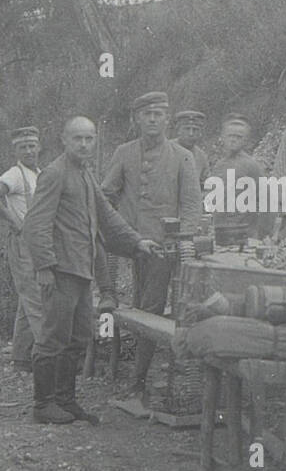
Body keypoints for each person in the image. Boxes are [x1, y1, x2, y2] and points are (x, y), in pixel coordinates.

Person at [23, 116, 162, 424]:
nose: (84, 144)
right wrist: (44, 266)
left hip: (81, 271)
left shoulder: (85, 175)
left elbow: (108, 216)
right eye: (77, 139)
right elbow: (36, 224)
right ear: (63, 140)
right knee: (52, 337)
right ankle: (42, 404)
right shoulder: (55, 174)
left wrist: (137, 242)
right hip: (60, 270)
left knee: (78, 336)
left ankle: (66, 400)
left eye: (89, 139)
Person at [101, 91, 202, 404]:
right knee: (134, 307)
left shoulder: (183, 157)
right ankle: (132, 369)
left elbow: (191, 206)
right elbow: (105, 196)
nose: (153, 120)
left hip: (164, 248)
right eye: (147, 114)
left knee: (151, 308)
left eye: (159, 114)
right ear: (137, 119)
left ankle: (142, 378)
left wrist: (181, 243)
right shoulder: (124, 152)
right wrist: (119, 230)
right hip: (131, 244)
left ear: (167, 119)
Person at [0, 126, 45, 373]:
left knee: (27, 299)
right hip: (23, 245)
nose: (29, 150)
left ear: (39, 147)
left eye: (32, 145)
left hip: (40, 244)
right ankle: (48, 358)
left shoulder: (40, 173)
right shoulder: (15, 174)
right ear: (15, 150)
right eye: (23, 147)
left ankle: (20, 359)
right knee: (36, 298)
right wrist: (14, 222)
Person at [209, 114, 274, 242]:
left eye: (238, 137)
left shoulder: (251, 166)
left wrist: (261, 235)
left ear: (246, 140)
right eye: (230, 136)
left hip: (243, 233)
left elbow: (268, 202)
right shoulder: (219, 166)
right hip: (220, 231)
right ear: (223, 137)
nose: (233, 140)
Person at [171, 109, 210, 189]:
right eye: (187, 129)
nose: (191, 133)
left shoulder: (201, 157)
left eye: (195, 130)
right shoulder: (167, 149)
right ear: (178, 131)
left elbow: (205, 184)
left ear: (200, 133)